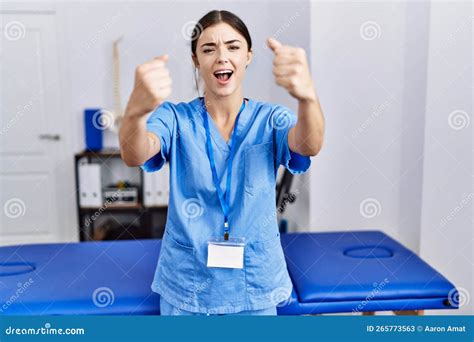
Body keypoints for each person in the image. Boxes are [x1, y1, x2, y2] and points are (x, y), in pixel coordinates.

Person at [119, 9, 325, 315]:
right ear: (195, 60)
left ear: (249, 56)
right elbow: (135, 153)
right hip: (187, 286)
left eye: (233, 46)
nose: (221, 57)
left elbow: (309, 145)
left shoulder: (270, 119)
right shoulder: (175, 118)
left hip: (254, 286)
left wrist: (307, 98)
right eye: (208, 49)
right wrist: (134, 113)